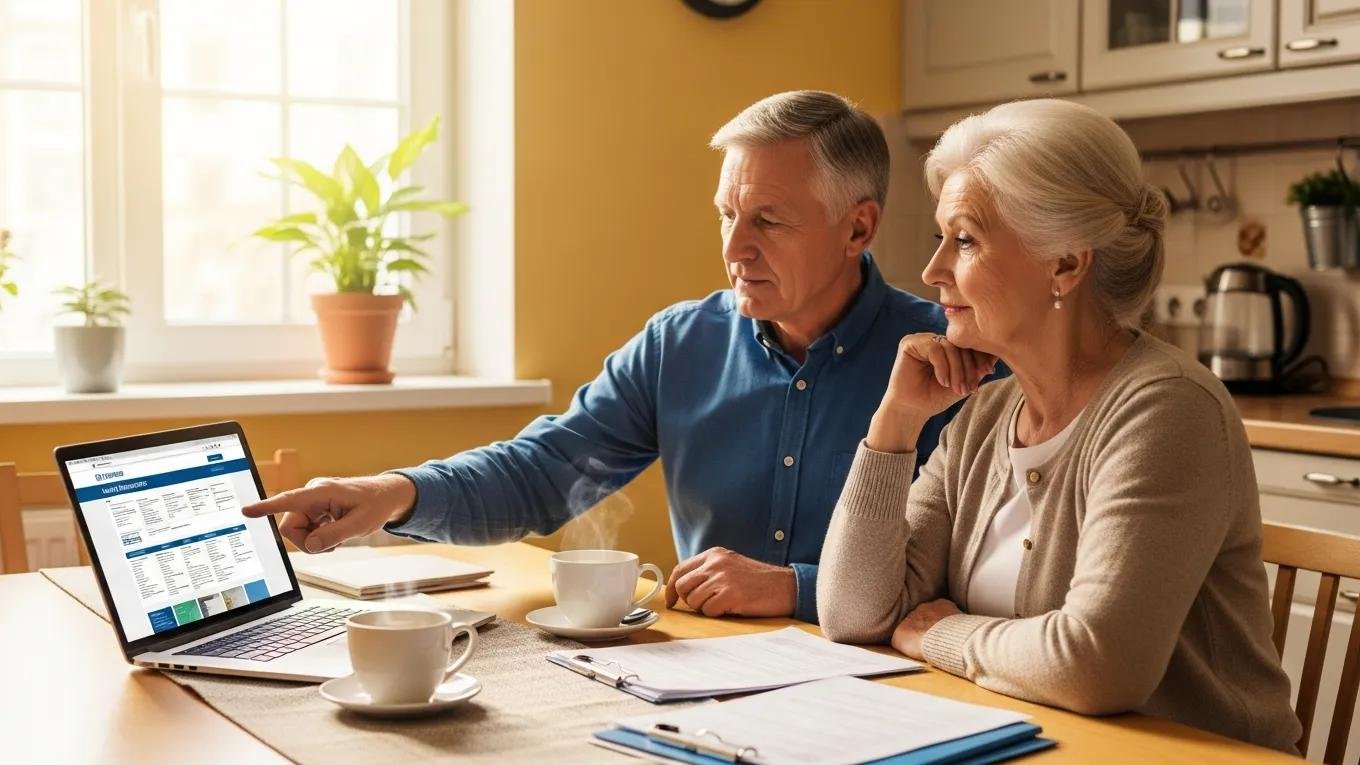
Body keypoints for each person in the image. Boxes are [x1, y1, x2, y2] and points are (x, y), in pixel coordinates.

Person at [244, 91, 977, 623]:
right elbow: (542, 475)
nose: (733, 248)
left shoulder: (953, 363)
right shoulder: (679, 345)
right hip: (708, 686)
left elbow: (974, 578)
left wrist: (797, 586)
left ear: (859, 228)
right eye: (726, 214)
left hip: (890, 691)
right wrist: (391, 492)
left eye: (768, 220)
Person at [816, 99, 1300, 752]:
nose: (933, 271)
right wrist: (894, 425)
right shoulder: (986, 413)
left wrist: (940, 635)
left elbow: (1098, 664)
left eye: (964, 239)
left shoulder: (1167, 410)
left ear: (1066, 264)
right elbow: (853, 616)